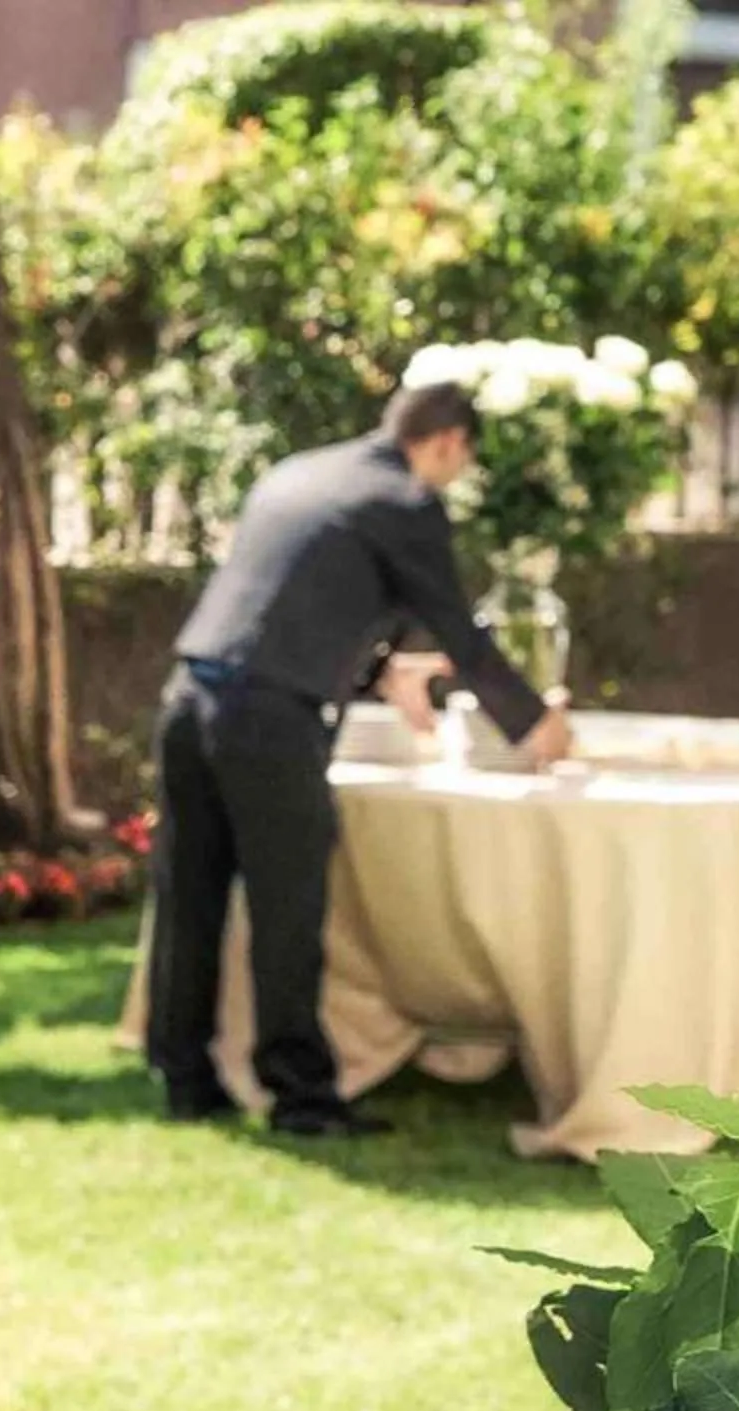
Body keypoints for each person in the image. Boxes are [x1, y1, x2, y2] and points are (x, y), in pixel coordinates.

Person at [144, 382, 574, 1138]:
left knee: (192, 896)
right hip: (268, 719)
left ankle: (184, 1077)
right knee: (289, 908)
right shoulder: (403, 501)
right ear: (447, 442)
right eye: (463, 460)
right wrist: (534, 726)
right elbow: (460, 632)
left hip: (189, 696)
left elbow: (300, 600)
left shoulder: (301, 473)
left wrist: (381, 670)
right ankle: (302, 1100)